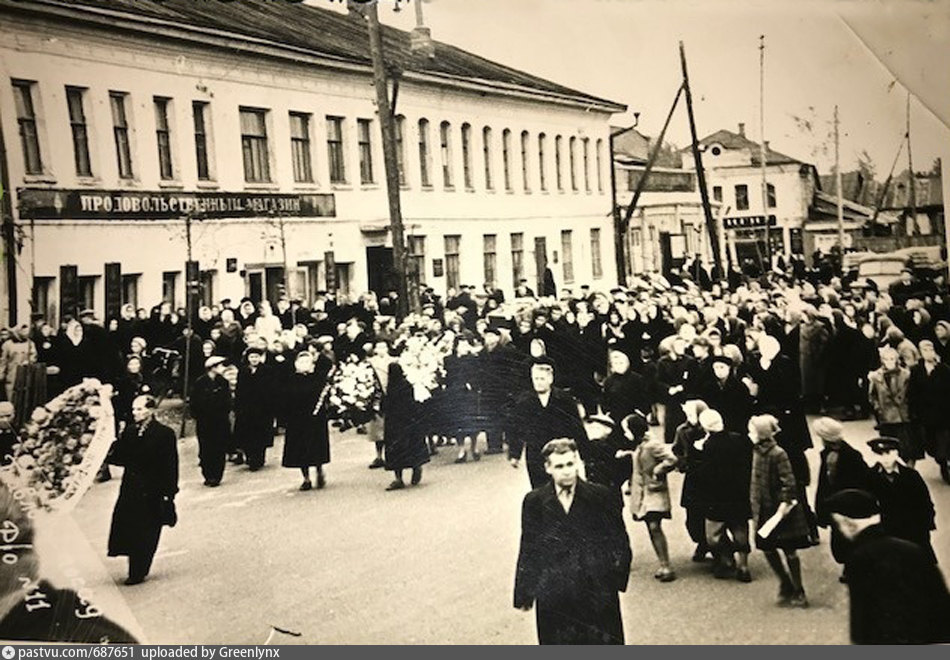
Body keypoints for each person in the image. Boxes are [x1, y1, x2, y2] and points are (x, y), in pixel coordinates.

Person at [513, 439, 632, 645]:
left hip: (596, 594)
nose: (567, 471)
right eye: (559, 466)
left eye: (570, 464)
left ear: (577, 463)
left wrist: (613, 580)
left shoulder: (599, 496)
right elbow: (529, 547)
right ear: (548, 468)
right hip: (555, 594)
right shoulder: (534, 502)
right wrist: (525, 592)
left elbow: (619, 541)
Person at [826, 489, 950, 645]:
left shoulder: (859, 558)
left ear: (848, 524)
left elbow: (863, 619)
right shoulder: (914, 550)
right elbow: (941, 604)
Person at [106, 394, 179, 585]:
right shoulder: (130, 432)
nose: (135, 413)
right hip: (131, 487)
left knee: (148, 529)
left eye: (139, 409)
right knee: (131, 526)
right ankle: (135, 568)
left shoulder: (164, 434)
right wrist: (109, 448)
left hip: (153, 488)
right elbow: (120, 458)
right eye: (133, 409)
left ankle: (139, 570)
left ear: (151, 410)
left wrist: (169, 492)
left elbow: (171, 464)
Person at [747, 415, 812, 607]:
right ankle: (785, 582)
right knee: (767, 547)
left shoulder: (778, 453)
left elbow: (788, 482)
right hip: (762, 509)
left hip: (780, 511)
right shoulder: (755, 451)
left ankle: (799, 589)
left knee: (789, 550)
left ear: (762, 434)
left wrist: (784, 504)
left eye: (752, 431)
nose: (749, 434)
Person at [507, 357, 590, 489]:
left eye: (542, 379)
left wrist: (586, 454)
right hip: (536, 453)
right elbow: (516, 429)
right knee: (540, 491)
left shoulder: (564, 399)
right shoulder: (524, 402)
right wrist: (514, 454)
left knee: (565, 486)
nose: (538, 383)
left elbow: (576, 427)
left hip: (561, 451)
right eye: (536, 379)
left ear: (550, 379)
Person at [621, 412, 678, 582]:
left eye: (627, 430)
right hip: (644, 494)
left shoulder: (652, 445)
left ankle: (666, 565)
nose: (625, 433)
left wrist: (658, 470)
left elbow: (671, 459)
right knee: (651, 526)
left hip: (654, 491)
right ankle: (663, 563)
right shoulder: (639, 445)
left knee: (654, 526)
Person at [700, 409, 753, 582]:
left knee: (713, 535)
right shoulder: (739, 439)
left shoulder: (708, 445)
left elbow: (706, 472)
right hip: (738, 494)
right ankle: (743, 566)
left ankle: (724, 559)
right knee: (740, 530)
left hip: (717, 496)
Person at [866, 436, 937, 564]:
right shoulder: (870, 477)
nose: (885, 458)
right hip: (887, 531)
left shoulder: (911, 476)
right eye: (879, 454)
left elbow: (925, 503)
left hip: (913, 530)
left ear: (896, 454)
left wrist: (926, 525)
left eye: (888, 453)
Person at [813, 417, 869, 577]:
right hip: (835, 503)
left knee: (847, 539)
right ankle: (849, 565)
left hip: (848, 505)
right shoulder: (827, 454)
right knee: (839, 542)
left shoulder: (851, 456)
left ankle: (851, 568)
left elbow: (861, 481)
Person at [281, 351, 332, 491]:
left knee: (316, 446)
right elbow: (285, 399)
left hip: (315, 418)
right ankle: (306, 478)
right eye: (301, 362)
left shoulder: (318, 378)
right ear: (296, 364)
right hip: (296, 419)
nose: (304, 365)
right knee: (300, 450)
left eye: (307, 362)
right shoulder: (290, 379)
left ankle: (319, 469)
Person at [672, 399, 712, 562]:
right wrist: (682, 463)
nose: (688, 417)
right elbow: (677, 450)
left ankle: (716, 548)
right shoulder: (681, 430)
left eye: (691, 413)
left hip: (709, 477)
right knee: (692, 517)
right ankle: (702, 542)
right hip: (692, 477)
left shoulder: (709, 429)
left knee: (710, 514)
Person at [908, 339, 950, 483]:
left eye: (930, 349)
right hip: (924, 414)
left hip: (943, 413)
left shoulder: (943, 369)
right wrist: (913, 411)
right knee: (931, 444)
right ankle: (941, 461)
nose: (928, 353)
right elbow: (912, 392)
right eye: (925, 350)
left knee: (943, 444)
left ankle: (945, 466)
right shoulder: (916, 370)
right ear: (920, 353)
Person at [868, 347, 915, 467]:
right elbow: (872, 395)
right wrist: (878, 407)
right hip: (885, 417)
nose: (889, 361)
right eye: (886, 359)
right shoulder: (876, 376)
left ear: (897, 359)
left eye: (892, 359)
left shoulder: (906, 375)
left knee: (906, 448)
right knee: (887, 447)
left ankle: (907, 471)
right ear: (882, 360)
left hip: (902, 416)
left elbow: (912, 394)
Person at [189, 356, 232, 486]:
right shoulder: (200, 383)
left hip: (220, 421)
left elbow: (227, 400)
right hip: (205, 421)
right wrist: (199, 416)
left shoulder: (223, 382)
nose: (223, 368)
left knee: (219, 448)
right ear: (212, 368)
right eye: (220, 366)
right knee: (206, 448)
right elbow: (194, 402)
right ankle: (208, 474)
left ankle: (217, 475)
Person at [234, 347, 275, 471]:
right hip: (246, 408)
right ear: (248, 358)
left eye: (256, 357)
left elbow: (271, 389)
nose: (254, 359)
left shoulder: (267, 370)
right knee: (247, 434)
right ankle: (250, 457)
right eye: (251, 357)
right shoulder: (243, 371)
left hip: (262, 408)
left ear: (260, 358)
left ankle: (258, 459)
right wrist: (238, 406)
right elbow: (239, 390)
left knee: (260, 435)